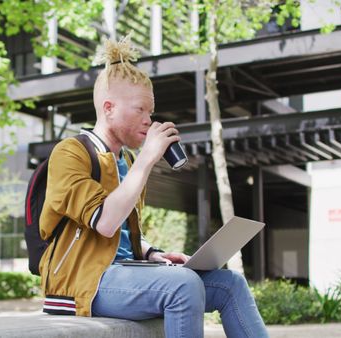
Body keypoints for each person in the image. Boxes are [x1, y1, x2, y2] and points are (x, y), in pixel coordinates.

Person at [39, 36, 268, 338]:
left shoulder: (128, 160)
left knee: (230, 284)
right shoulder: (70, 152)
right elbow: (105, 223)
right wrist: (147, 159)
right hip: (83, 281)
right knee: (182, 286)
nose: (149, 120)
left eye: (151, 111)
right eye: (140, 110)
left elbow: (122, 234)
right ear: (108, 108)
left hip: (126, 273)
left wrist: (150, 254)